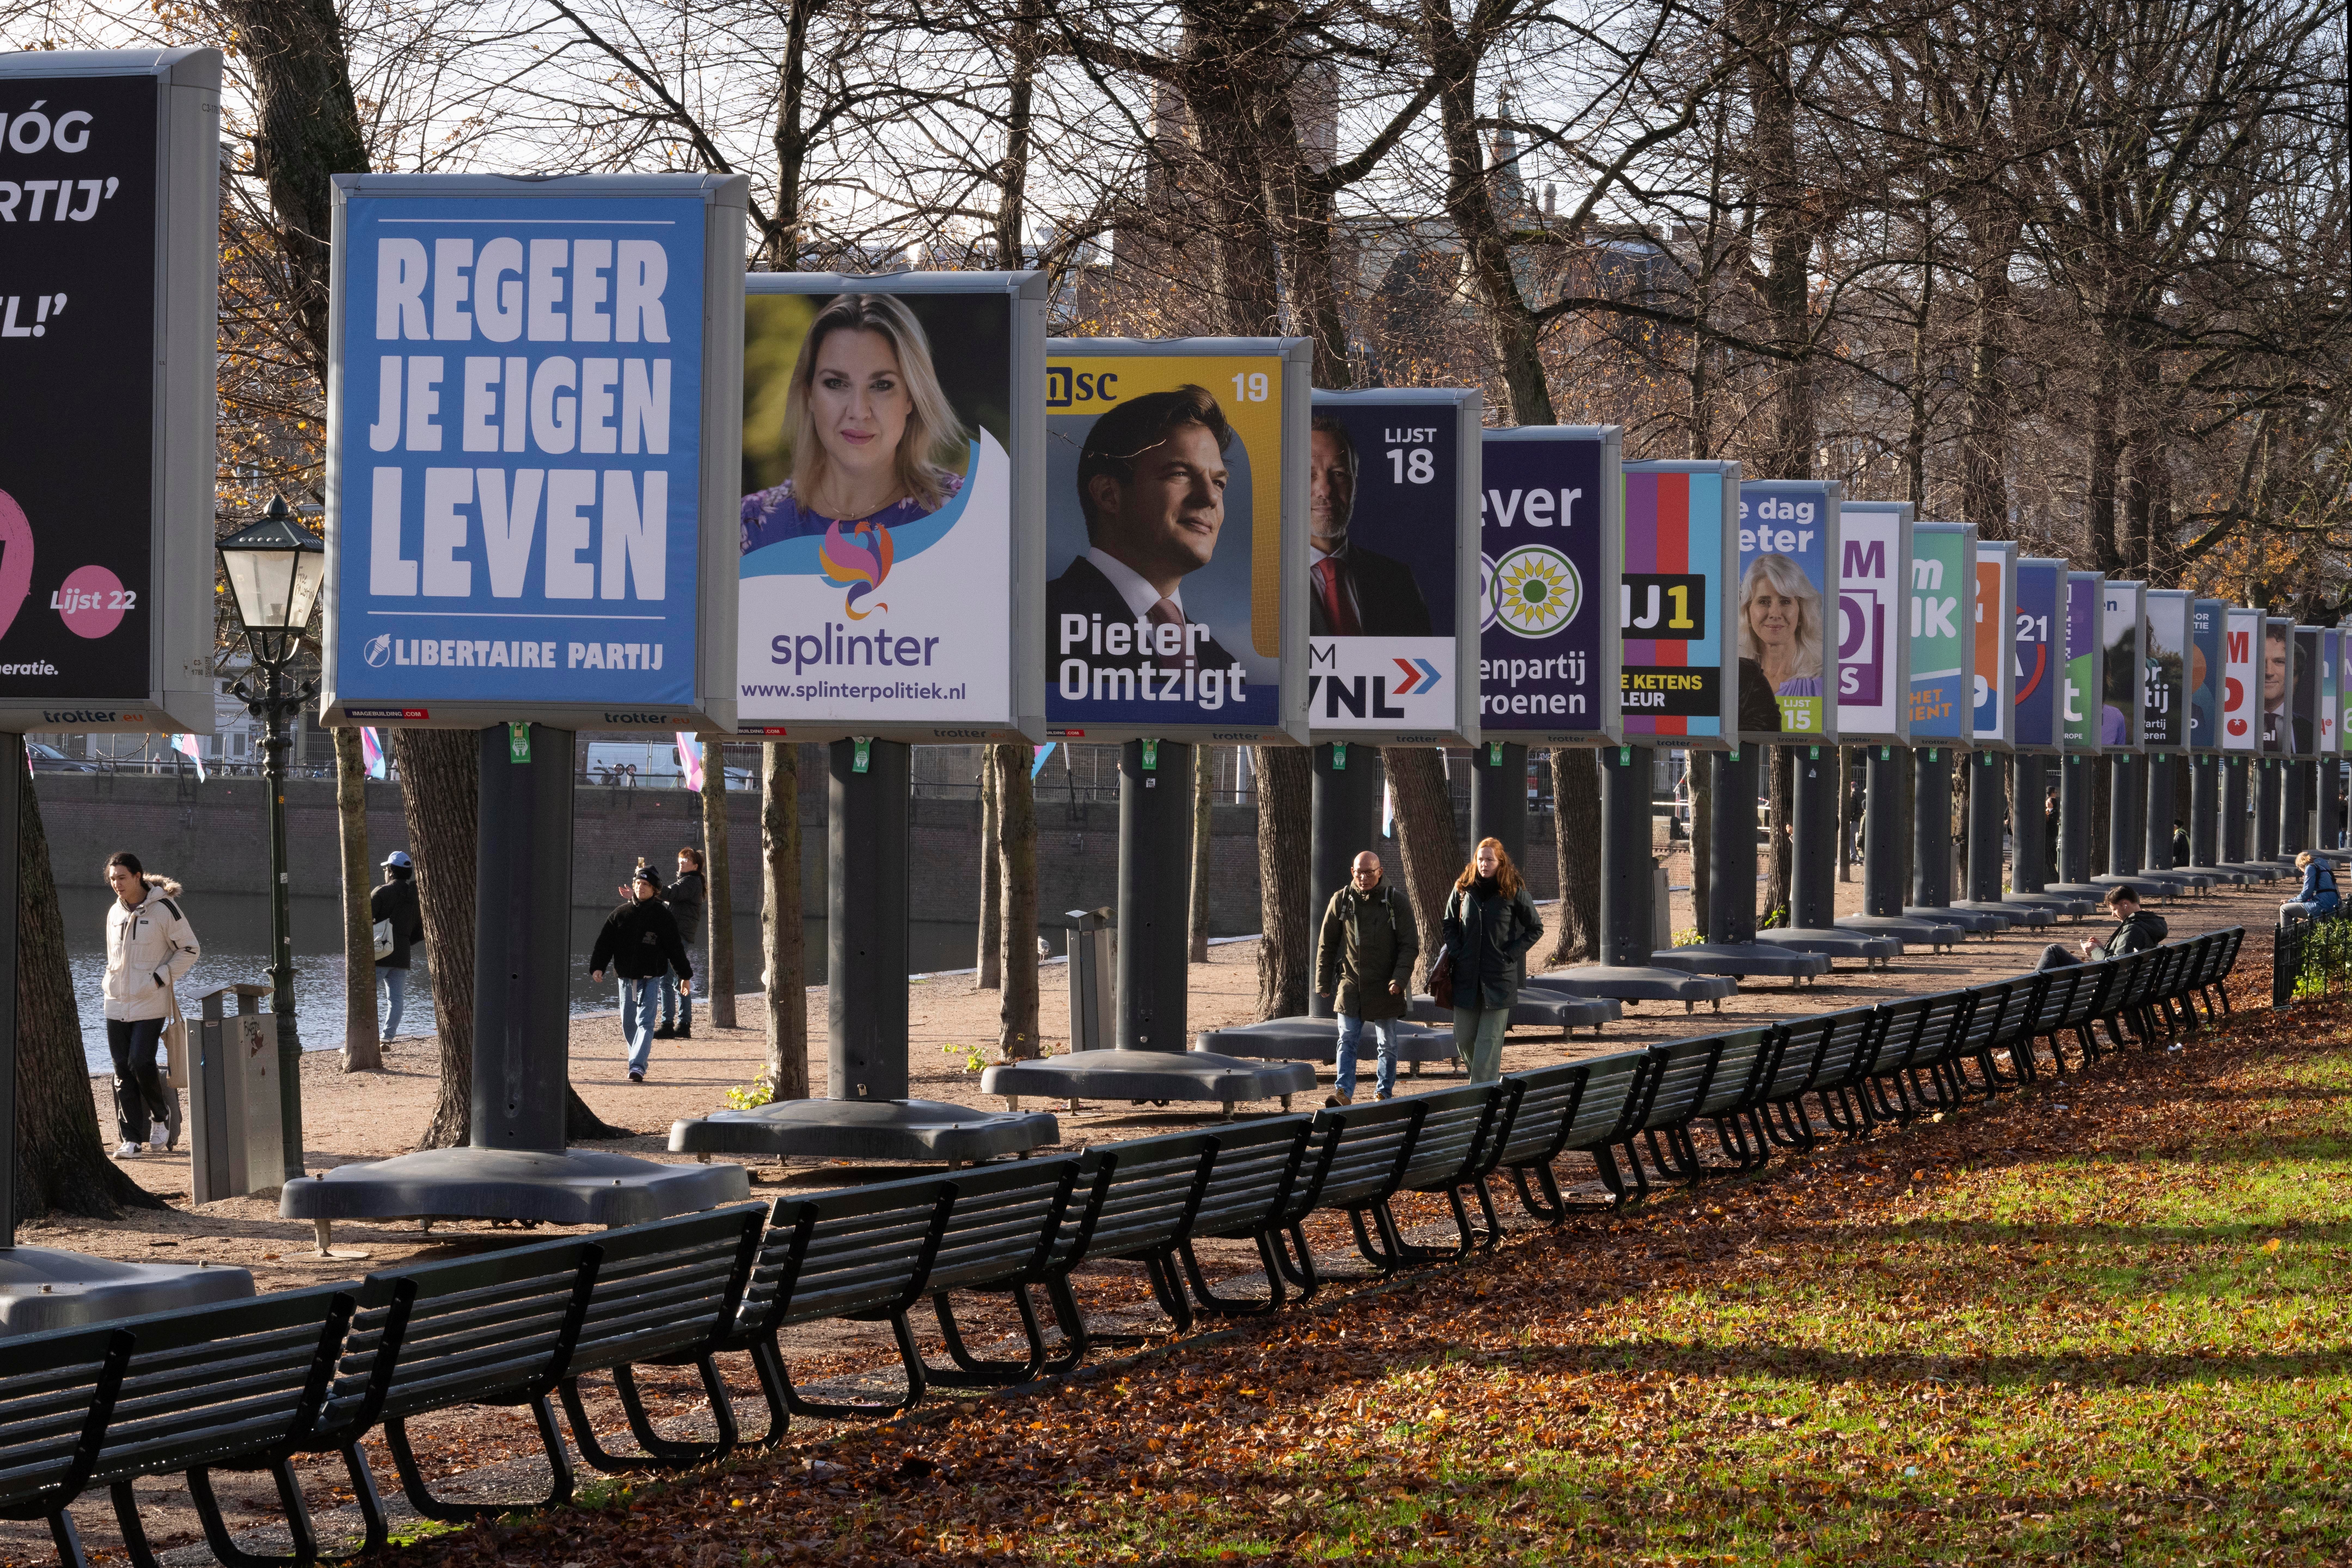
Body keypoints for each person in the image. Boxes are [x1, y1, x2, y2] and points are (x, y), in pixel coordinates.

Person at [1046, 385, 1246, 697]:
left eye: (1219, 482)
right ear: (1109, 495)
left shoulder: (1222, 667)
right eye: (1180, 474)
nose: (1210, 497)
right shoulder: (1036, 627)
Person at [740, 292, 968, 553]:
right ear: (809, 395)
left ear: (912, 398)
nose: (859, 412)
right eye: (836, 384)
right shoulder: (750, 526)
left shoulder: (965, 514)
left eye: (882, 385)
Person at [100, 851, 199, 1158]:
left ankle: (160, 1115)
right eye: (112, 878)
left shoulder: (164, 910)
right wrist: (109, 984)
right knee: (121, 1071)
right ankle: (131, 1140)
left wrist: (159, 979)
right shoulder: (114, 912)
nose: (117, 884)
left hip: (150, 1000)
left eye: (122, 877)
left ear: (138, 875)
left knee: (140, 1062)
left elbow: (190, 949)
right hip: (115, 1002)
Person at [1305, 416, 1431, 637]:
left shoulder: (1397, 581)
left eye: (1339, 474)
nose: (1325, 490)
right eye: (1309, 475)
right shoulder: (1267, 584)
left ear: (1355, 485)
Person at [1313, 850, 1418, 1105]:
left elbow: (1410, 946)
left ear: (1380, 872)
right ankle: (1343, 1093)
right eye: (1359, 872)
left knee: (1388, 1044)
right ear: (1353, 872)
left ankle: (1384, 1093)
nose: (1363, 878)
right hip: (1351, 984)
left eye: (1369, 873)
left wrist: (1400, 979)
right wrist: (1323, 981)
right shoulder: (1341, 900)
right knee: (1347, 1040)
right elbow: (1327, 944)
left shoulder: (1397, 902)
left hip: (1387, 986)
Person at [1441, 837, 1543, 1083]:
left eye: (1490, 860)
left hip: (1499, 979)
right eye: (1480, 859)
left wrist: (1510, 954)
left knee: (1489, 1041)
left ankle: (1480, 1096)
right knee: (1464, 1037)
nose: (1484, 864)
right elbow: (1449, 923)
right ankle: (1487, 1083)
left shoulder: (1513, 890)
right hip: (1466, 977)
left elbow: (1535, 928)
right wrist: (1457, 950)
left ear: (1501, 862)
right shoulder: (1463, 888)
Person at [589, 862, 693, 1083]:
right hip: (625, 980)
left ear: (655, 890)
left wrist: (685, 976)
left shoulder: (663, 916)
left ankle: (637, 1066)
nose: (640, 887)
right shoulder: (621, 914)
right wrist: (598, 966)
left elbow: (675, 948)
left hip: (651, 978)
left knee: (645, 1024)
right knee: (628, 1024)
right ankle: (637, 1059)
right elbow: (605, 943)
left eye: (645, 884)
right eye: (638, 883)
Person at [1738, 553, 1824, 700]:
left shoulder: (1822, 683)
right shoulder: (1732, 678)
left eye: (1785, 602)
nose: (1775, 614)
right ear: (1747, 611)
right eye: (1764, 602)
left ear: (1802, 612)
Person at [2039, 886, 2167, 970]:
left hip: (2104, 985)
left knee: (2053, 951)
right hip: (2125, 982)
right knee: (2055, 951)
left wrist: (2094, 951)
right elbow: (2122, 955)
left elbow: (2117, 965)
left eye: (2115, 910)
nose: (2113, 915)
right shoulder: (2148, 923)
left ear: (2125, 904)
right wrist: (2102, 949)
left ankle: (2027, 994)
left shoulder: (2134, 929)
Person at [370, 850, 425, 1041]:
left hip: (379, 953)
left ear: (392, 872)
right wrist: (403, 942)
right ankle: (387, 1038)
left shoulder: (382, 892)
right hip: (402, 955)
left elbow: (362, 922)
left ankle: (366, 1038)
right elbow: (421, 930)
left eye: (386, 868)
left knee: (366, 998)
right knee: (396, 1000)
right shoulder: (416, 897)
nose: (385, 871)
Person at [659, 845, 707, 1040]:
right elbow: (666, 900)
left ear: (695, 866)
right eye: (681, 859)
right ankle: (684, 1025)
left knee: (667, 979)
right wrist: (637, 896)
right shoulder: (687, 883)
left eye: (687, 860)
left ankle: (668, 1025)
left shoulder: (689, 883)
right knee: (679, 980)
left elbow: (669, 894)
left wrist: (649, 881)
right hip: (679, 936)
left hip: (678, 936)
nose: (682, 862)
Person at [2281, 850, 2339, 923]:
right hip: (2334, 905)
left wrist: (2290, 901)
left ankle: (2287, 934)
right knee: (2303, 910)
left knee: (2284, 909)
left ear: (2301, 866)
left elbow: (2306, 894)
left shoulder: (2310, 868)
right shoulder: (2324, 868)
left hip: (2322, 905)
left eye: (2300, 869)